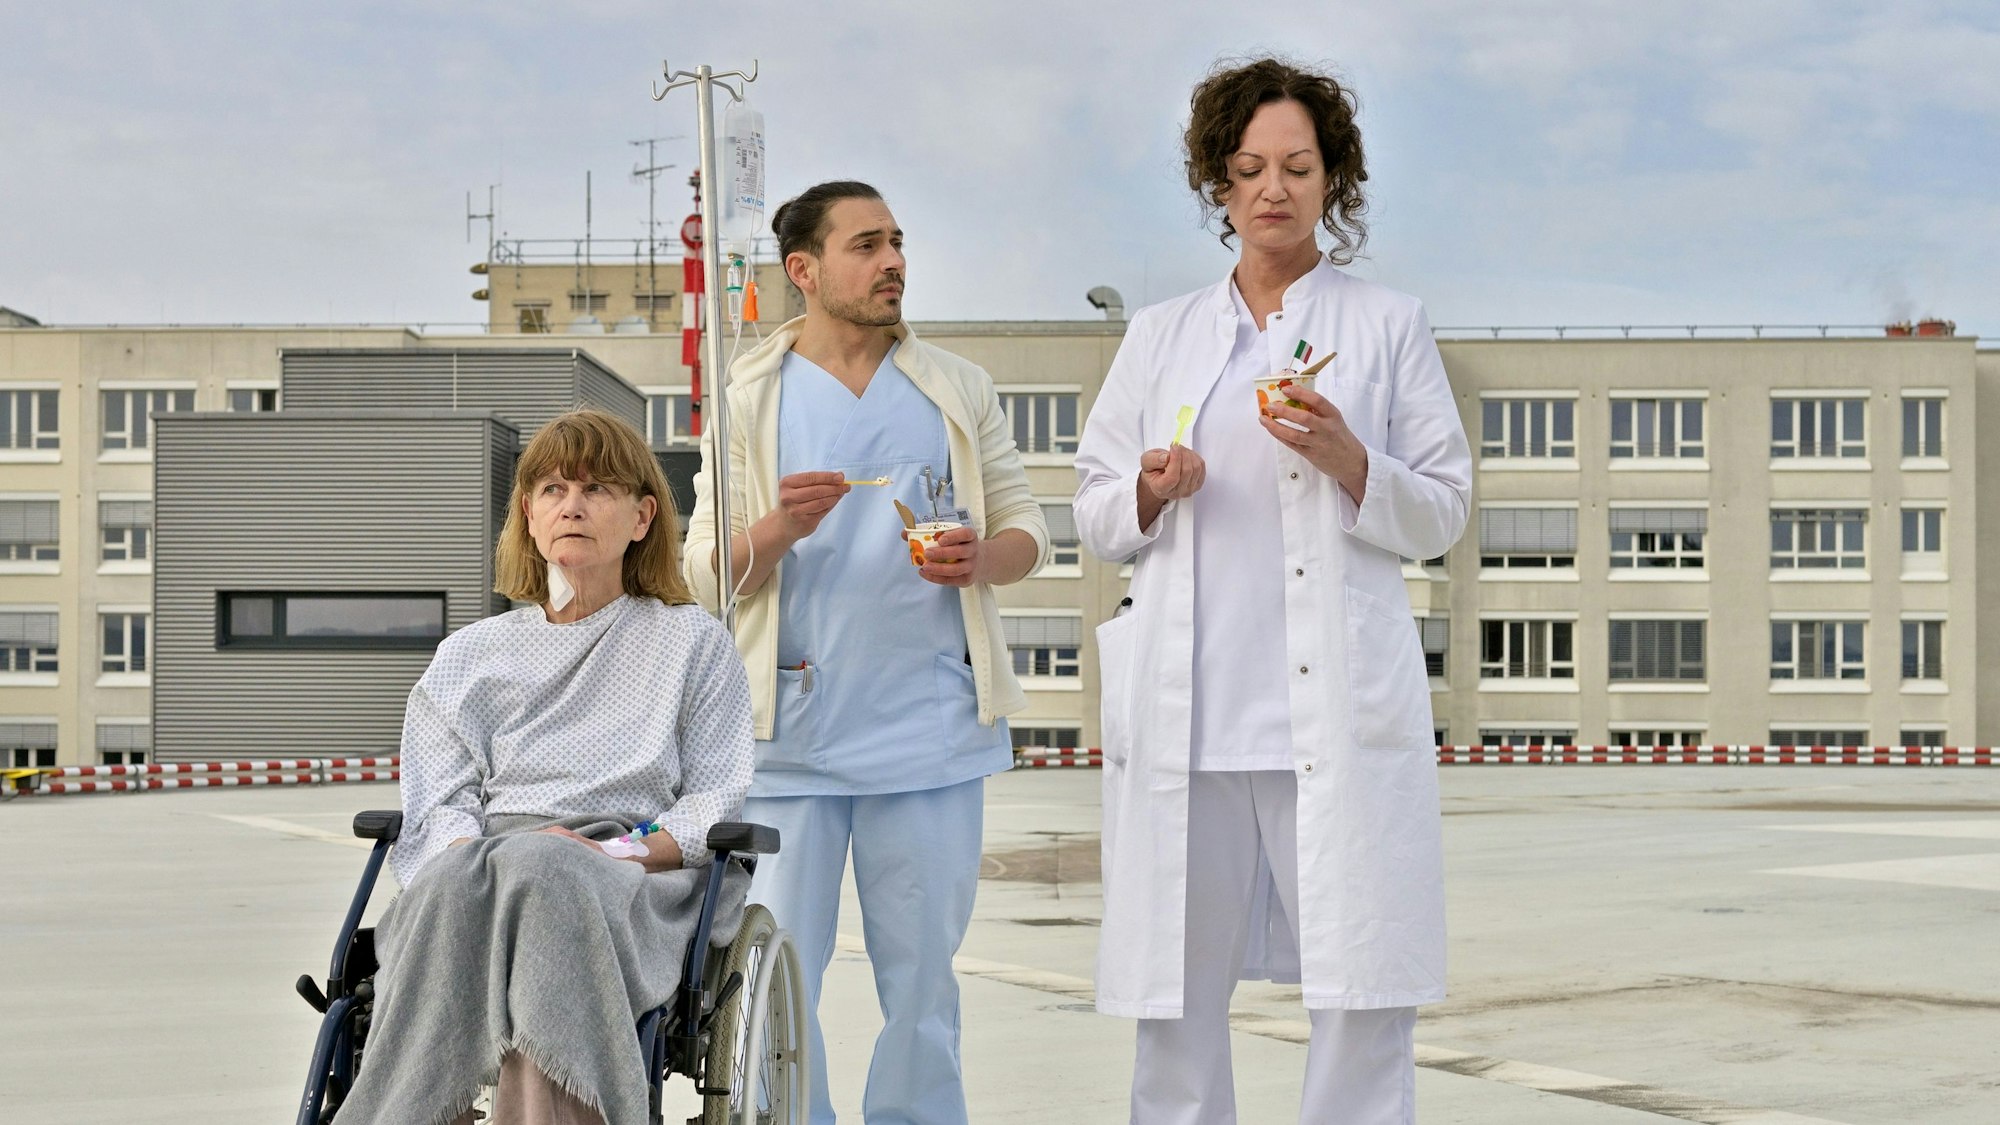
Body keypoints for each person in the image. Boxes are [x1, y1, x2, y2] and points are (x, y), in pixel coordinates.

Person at [1073, 58, 1473, 1124]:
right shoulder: (1158, 334)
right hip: (1191, 717)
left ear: (1332, 179)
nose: (1272, 190)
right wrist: (1148, 492)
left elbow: (1441, 508)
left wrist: (1352, 458)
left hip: (1328, 715)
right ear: (1216, 182)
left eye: (1297, 166)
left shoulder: (1386, 325)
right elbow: (1093, 504)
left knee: (1360, 998)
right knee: (1176, 1007)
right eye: (1248, 168)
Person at [683, 180, 1048, 1124]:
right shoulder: (748, 395)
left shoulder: (954, 387)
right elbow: (700, 573)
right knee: (777, 984)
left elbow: (1026, 532)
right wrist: (777, 528)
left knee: (924, 987)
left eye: (897, 242)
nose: (892, 262)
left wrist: (980, 562)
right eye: (865, 245)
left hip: (926, 735)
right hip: (791, 740)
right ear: (804, 270)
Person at [335, 409, 755, 1125]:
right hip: (488, 870)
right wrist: (488, 864)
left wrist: (608, 850)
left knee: (544, 872)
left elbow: (715, 795)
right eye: (553, 488)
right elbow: (438, 805)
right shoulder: (470, 657)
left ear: (642, 516)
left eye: (597, 488)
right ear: (528, 515)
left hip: (631, 872)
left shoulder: (691, 642)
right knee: (498, 874)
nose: (572, 505)